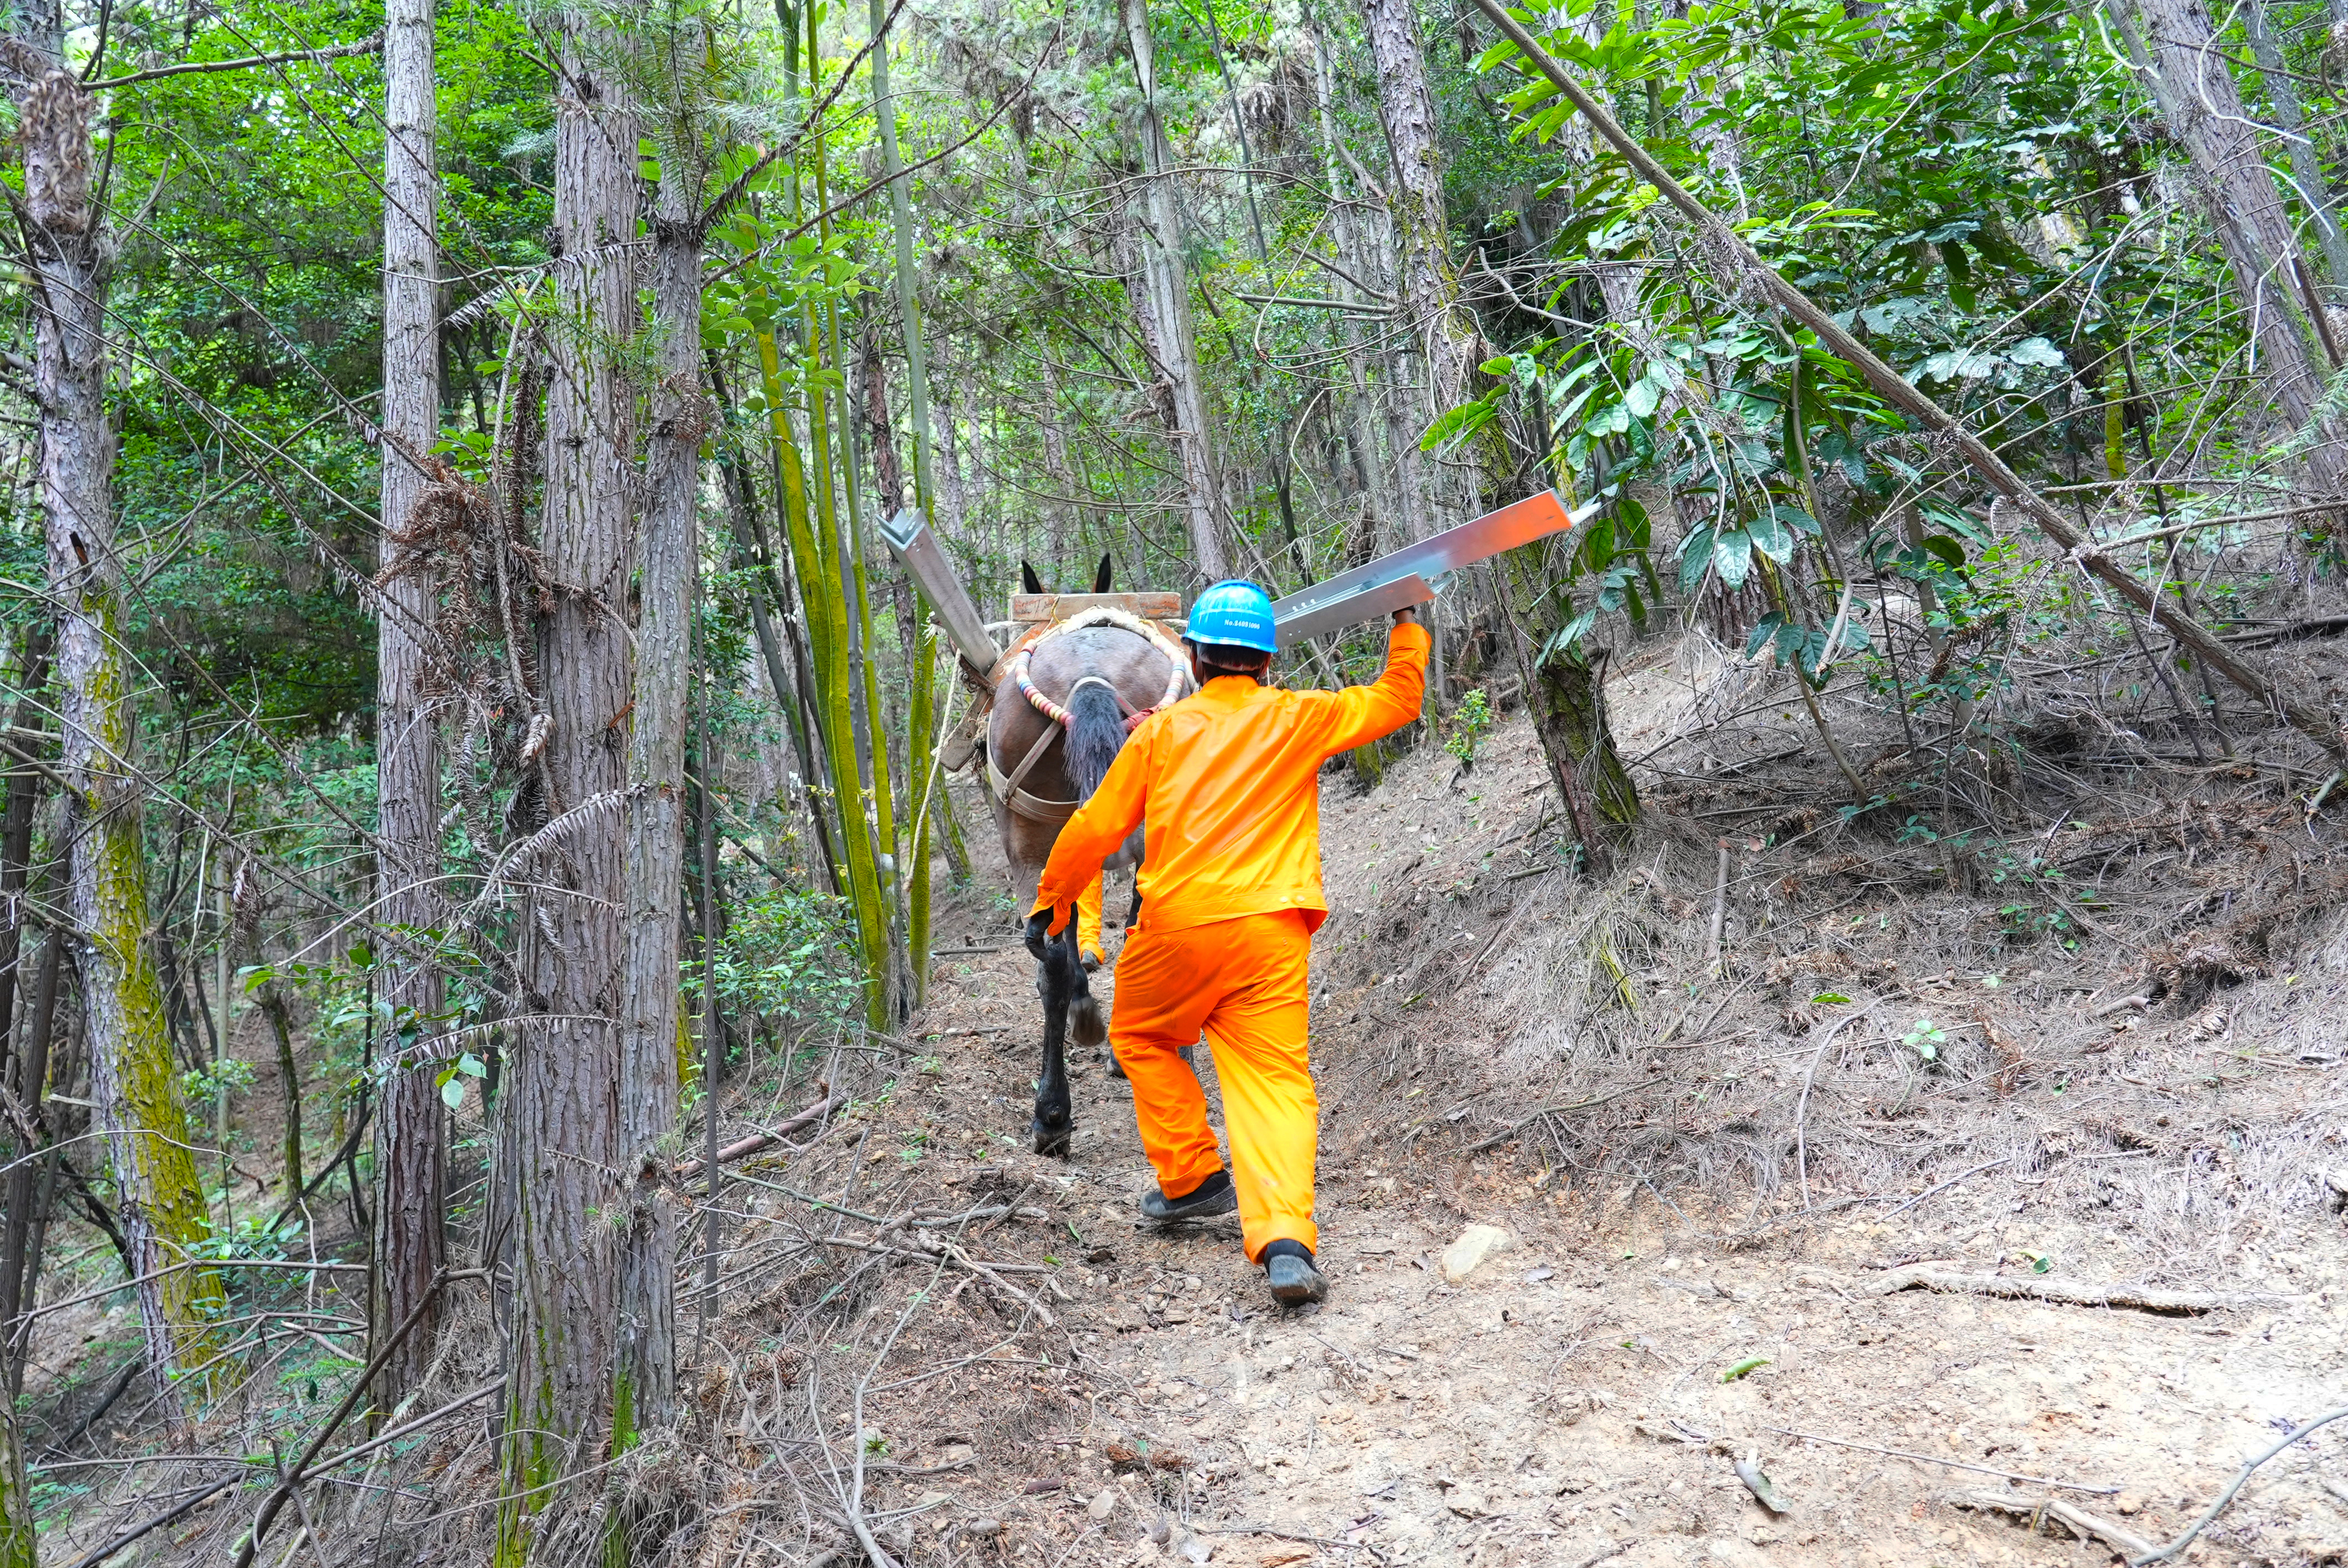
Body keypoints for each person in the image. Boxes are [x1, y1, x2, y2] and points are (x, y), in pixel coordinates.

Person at [1025, 580, 1429, 1306]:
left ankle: (1193, 1179)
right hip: (1271, 935)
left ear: (1196, 661)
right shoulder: (1302, 716)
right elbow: (1399, 699)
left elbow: (1093, 829)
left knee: (1140, 1037)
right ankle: (1285, 1246)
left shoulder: (1158, 734)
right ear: (1268, 665)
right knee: (1273, 1082)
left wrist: (1050, 905)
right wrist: (1406, 620)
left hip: (1175, 932)